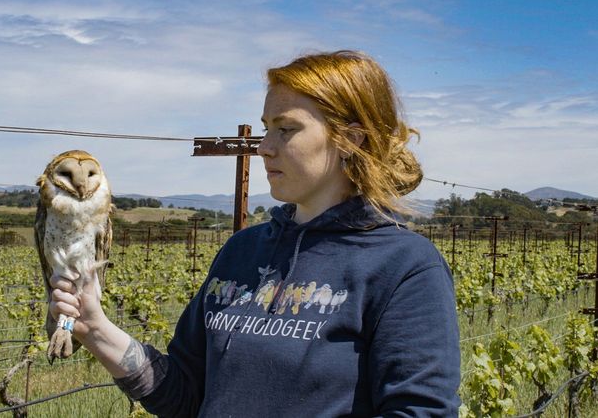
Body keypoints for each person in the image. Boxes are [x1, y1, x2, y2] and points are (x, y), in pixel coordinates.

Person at [49, 50, 461, 417]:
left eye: (286, 130)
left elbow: (421, 411)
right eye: (267, 128)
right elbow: (185, 395)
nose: (264, 147)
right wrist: (96, 328)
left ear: (349, 140)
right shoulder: (242, 251)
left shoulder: (405, 266)